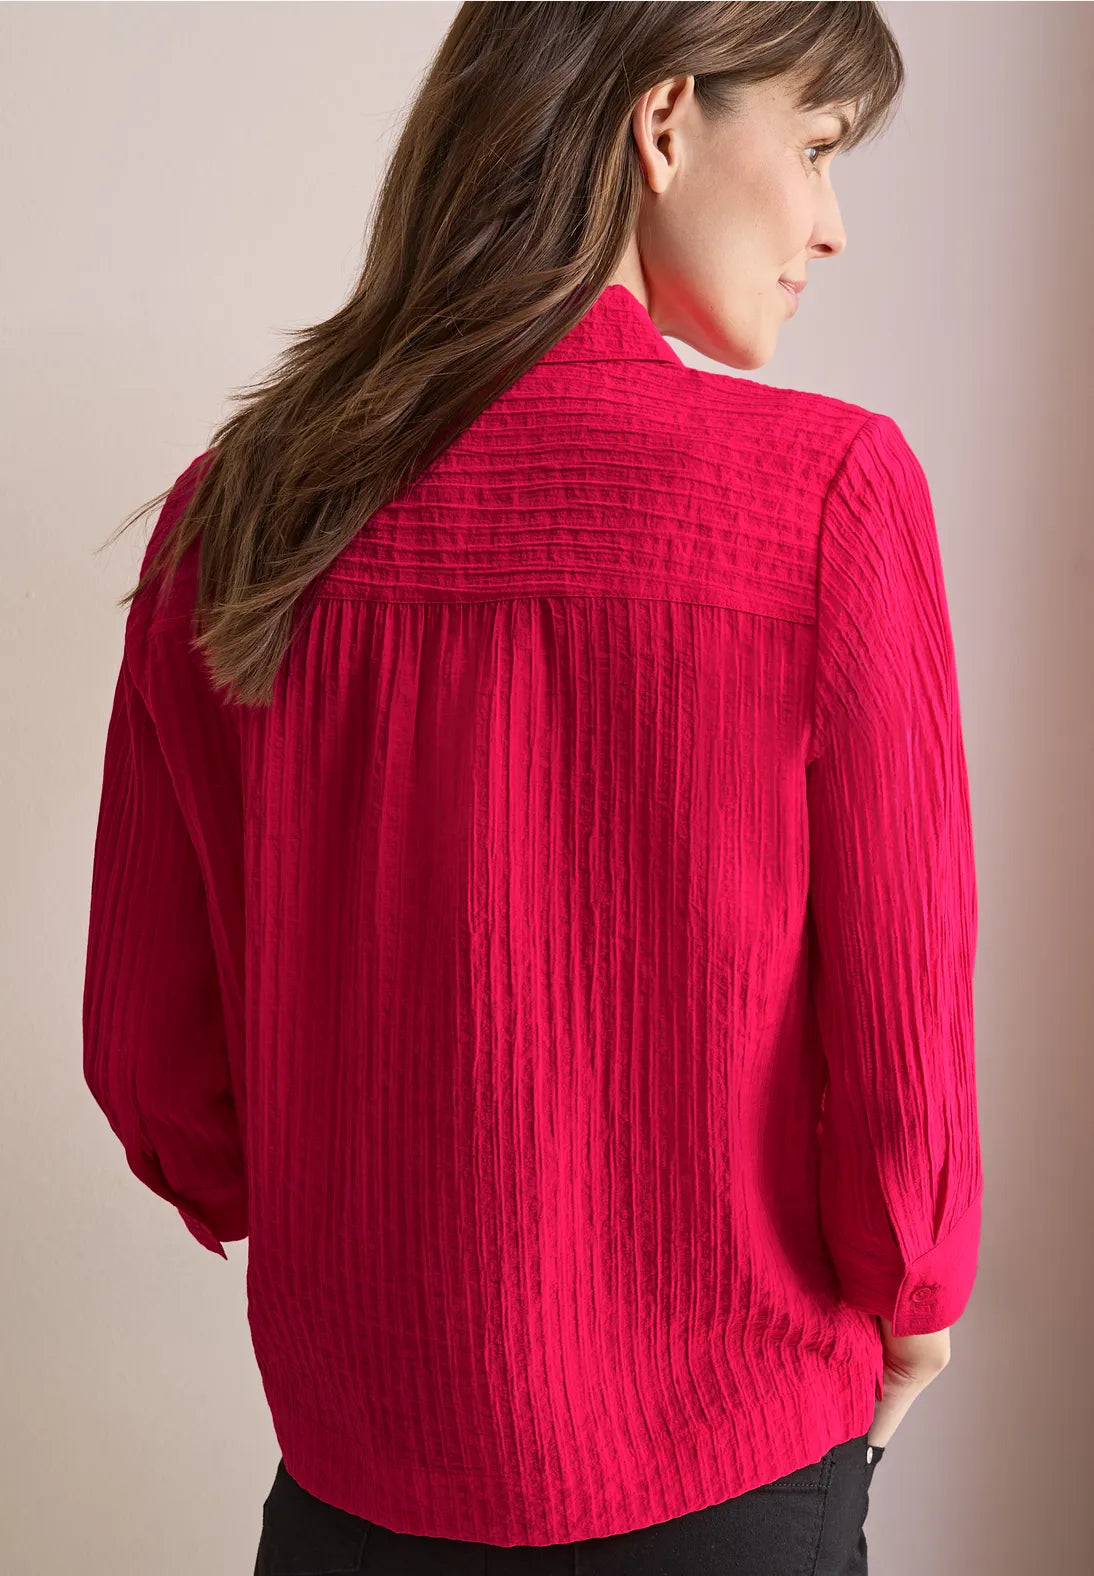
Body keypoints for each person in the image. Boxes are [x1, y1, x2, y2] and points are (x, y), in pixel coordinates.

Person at [81, 5, 982, 1573]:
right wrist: (912, 1303)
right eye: (816, 149)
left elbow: (156, 1069)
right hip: (725, 1468)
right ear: (662, 123)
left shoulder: (237, 512)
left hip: (359, 1480)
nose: (828, 226)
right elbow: (902, 1048)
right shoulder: (826, 496)